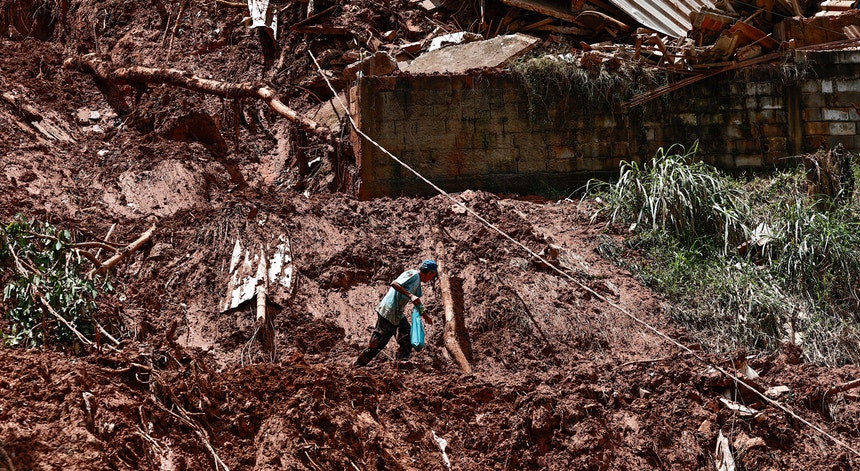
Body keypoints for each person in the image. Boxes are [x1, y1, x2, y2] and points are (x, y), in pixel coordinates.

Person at [354, 259, 438, 367]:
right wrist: (410, 295)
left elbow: (417, 301)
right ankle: (357, 365)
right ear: (430, 273)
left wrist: (425, 315)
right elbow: (394, 283)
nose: (431, 279)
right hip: (388, 311)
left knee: (406, 338)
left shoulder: (418, 284)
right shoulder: (413, 275)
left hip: (397, 314)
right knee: (377, 344)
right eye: (432, 276)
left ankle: (401, 365)